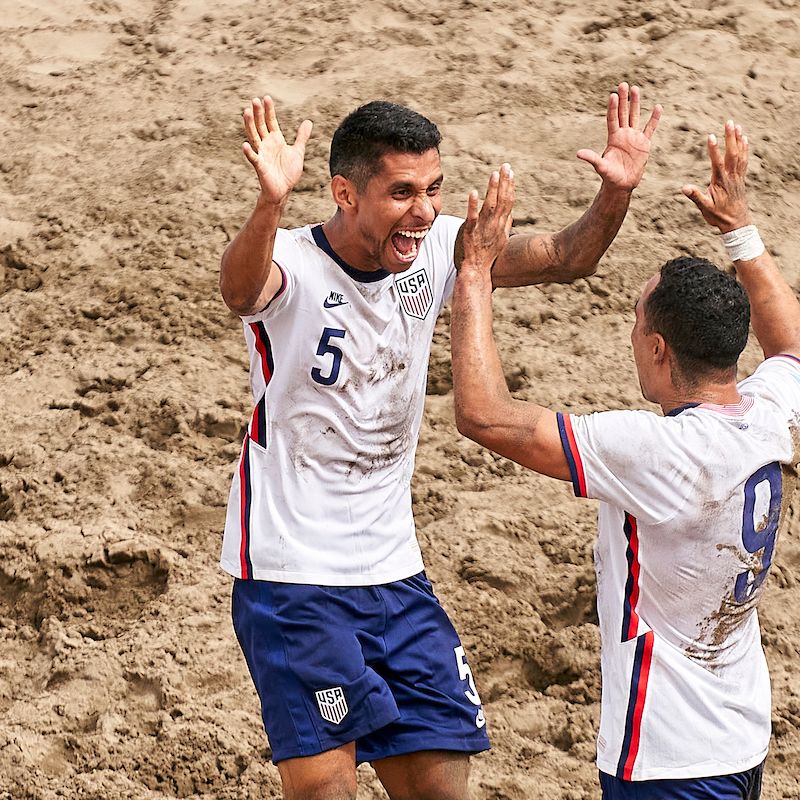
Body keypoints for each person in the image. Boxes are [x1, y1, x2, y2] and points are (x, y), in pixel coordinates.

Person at [218, 84, 661, 799]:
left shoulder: (437, 250)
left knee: (441, 786)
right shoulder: (292, 261)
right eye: (401, 192)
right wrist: (270, 203)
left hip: (395, 569)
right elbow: (241, 292)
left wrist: (616, 192)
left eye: (433, 188)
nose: (423, 210)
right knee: (326, 787)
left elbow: (565, 256)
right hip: (293, 572)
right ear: (344, 193)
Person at [450, 119, 799, 799]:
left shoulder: (657, 452)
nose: (633, 336)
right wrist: (740, 231)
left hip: (667, 760)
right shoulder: (768, 411)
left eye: (638, 324)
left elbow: (484, 415)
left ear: (659, 348)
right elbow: (790, 347)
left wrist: (473, 276)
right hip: (740, 734)